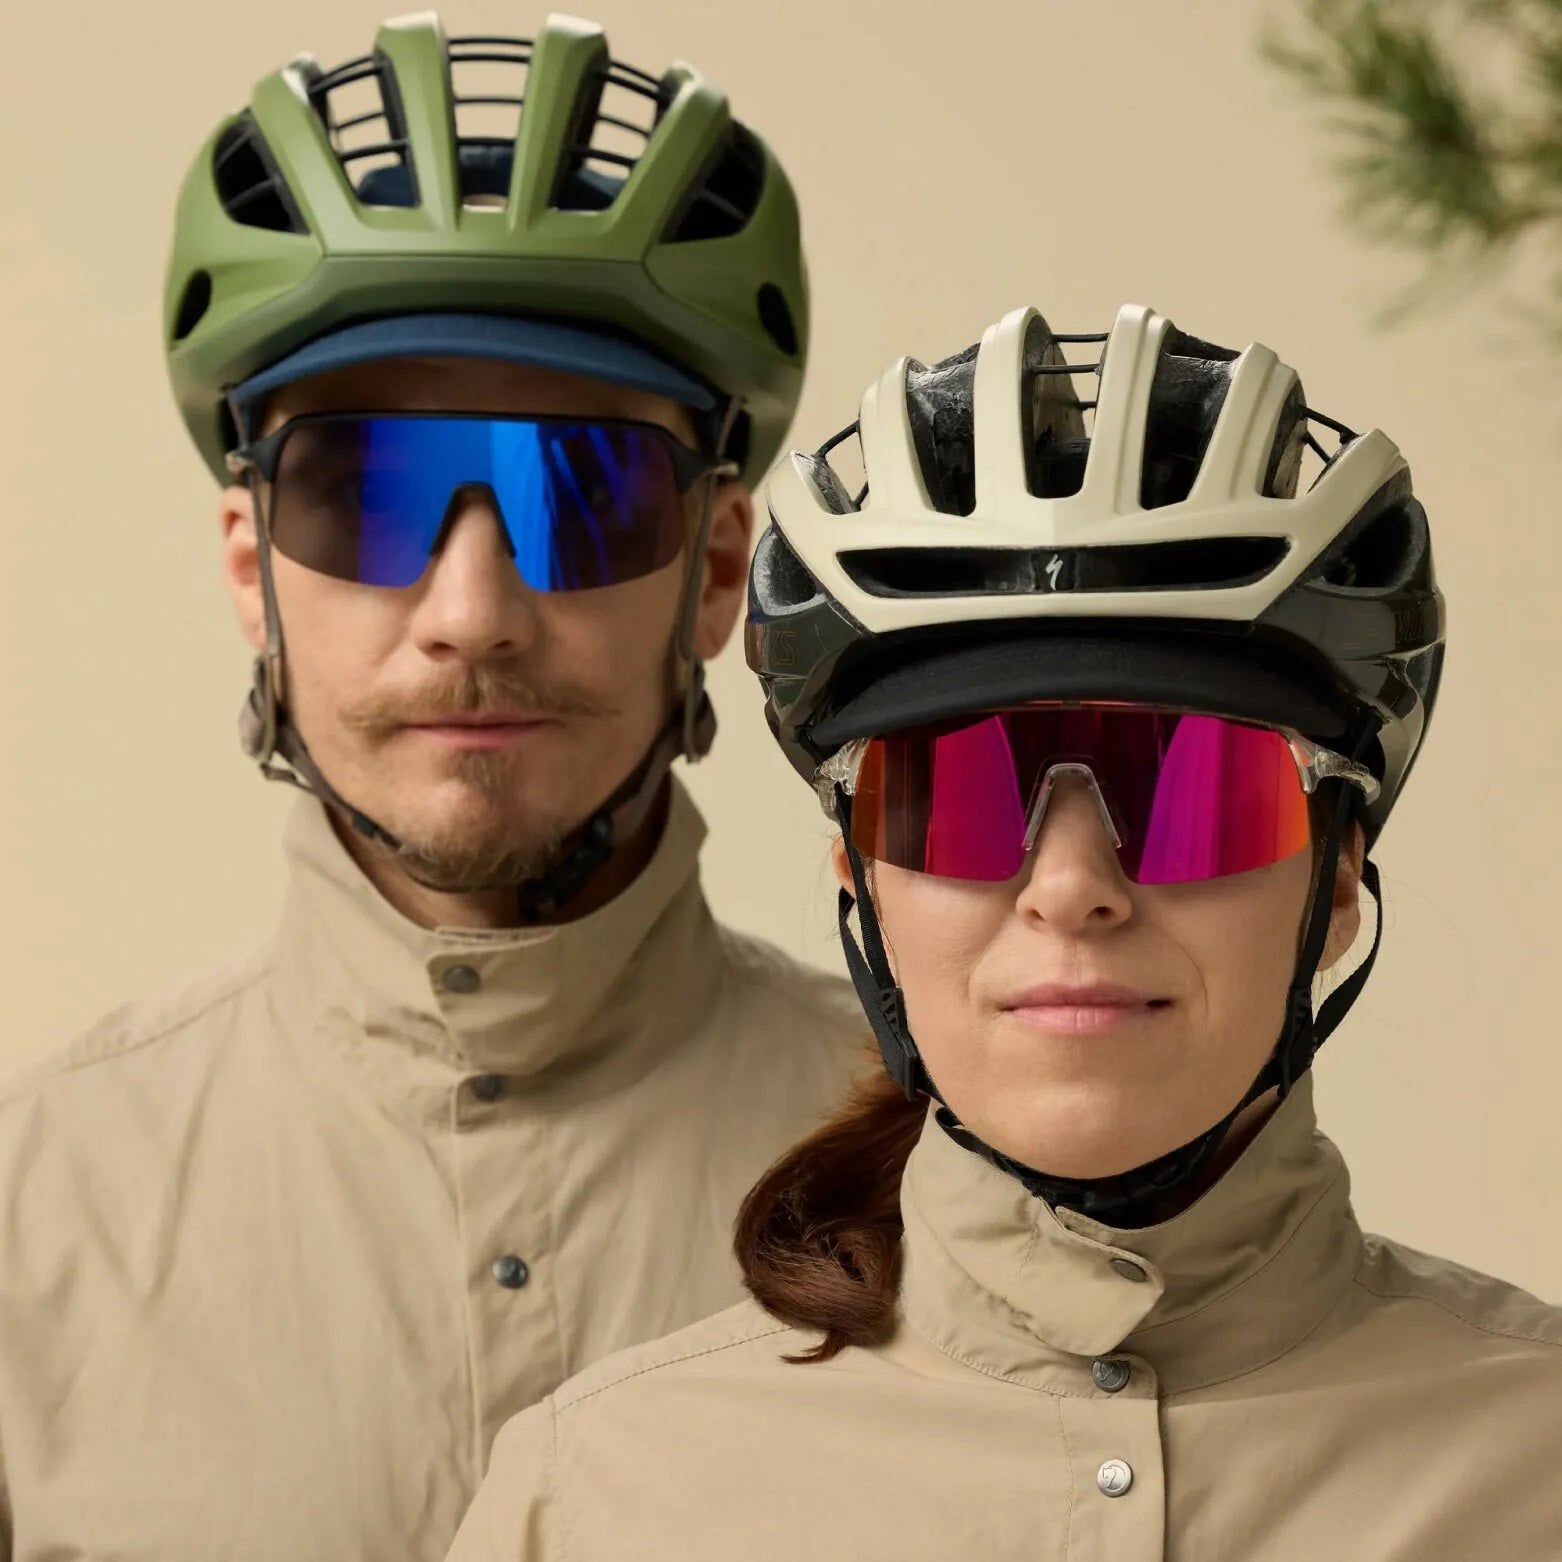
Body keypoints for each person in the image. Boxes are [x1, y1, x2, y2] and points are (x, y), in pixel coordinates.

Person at [448, 302, 1562, 1560]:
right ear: (858, 878)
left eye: (1194, 791)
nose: (1069, 887)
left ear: (1337, 876)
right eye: (958, 794)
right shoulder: (595, 1499)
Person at [0, 15, 866, 1561]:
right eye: (363, 491)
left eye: (582, 491)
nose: (472, 612)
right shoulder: (27, 1218)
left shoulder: (950, 1165)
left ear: (719, 567)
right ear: (251, 571)